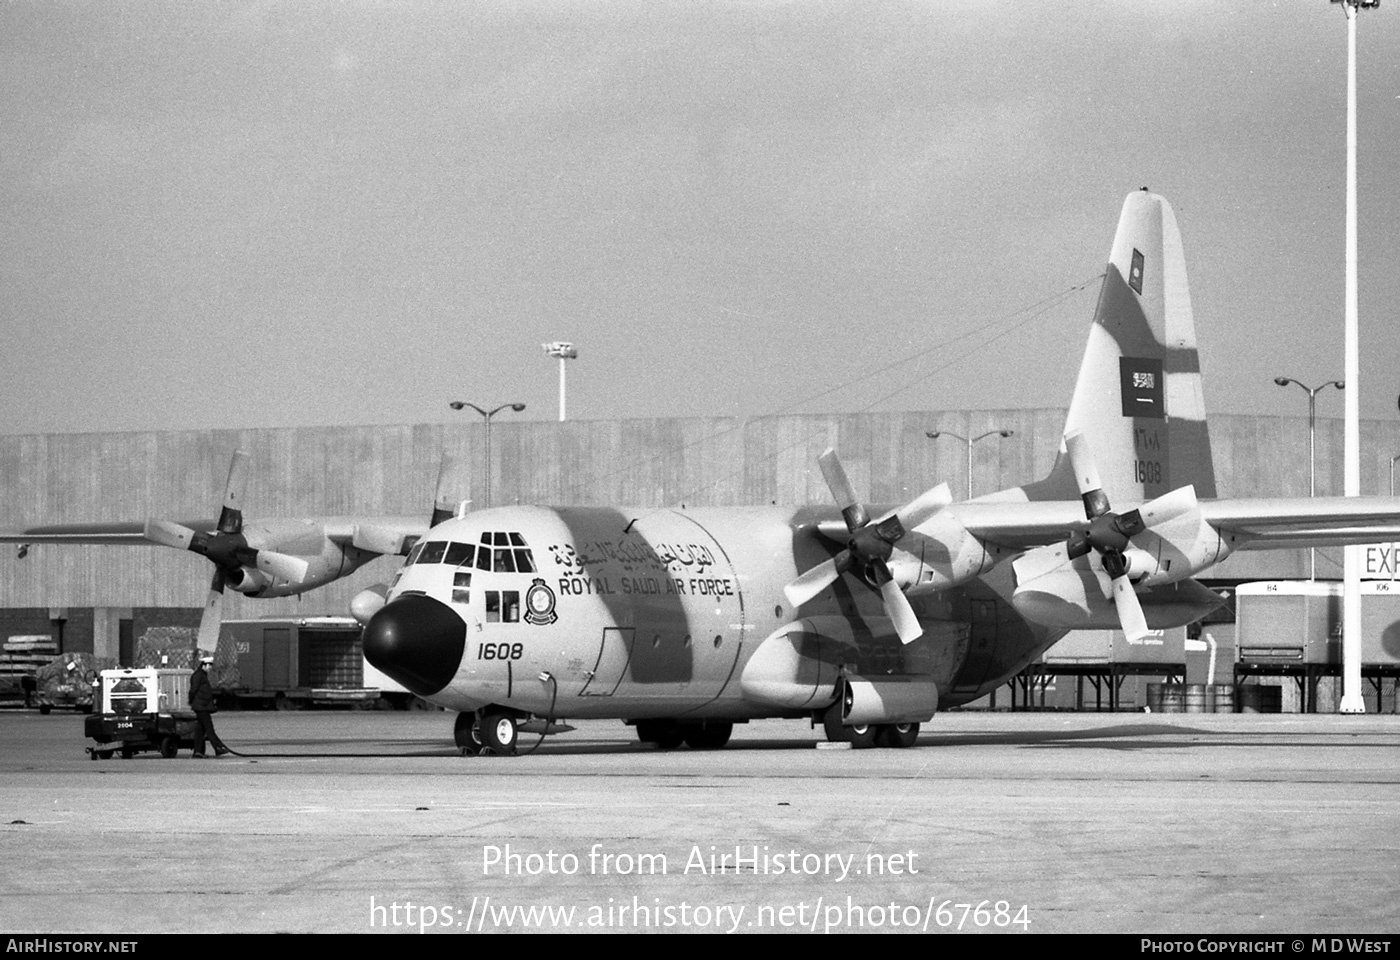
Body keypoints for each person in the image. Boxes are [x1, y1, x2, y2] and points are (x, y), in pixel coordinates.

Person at [189, 655, 231, 758]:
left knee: (200, 730)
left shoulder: (202, 675)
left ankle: (198, 752)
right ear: (204, 665)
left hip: (202, 706)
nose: (210, 668)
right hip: (201, 707)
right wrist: (192, 701)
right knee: (209, 728)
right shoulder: (198, 675)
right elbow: (193, 690)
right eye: (209, 666)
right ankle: (218, 748)